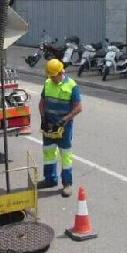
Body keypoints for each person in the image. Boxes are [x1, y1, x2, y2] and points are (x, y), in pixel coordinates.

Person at [38, 59, 82, 197]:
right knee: (48, 153)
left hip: (64, 127)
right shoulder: (48, 83)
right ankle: (50, 180)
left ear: (61, 72)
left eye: (53, 76)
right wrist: (43, 118)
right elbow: (42, 102)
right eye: (49, 76)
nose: (51, 78)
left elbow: (78, 107)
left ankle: (67, 184)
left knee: (65, 155)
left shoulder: (72, 86)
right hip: (49, 126)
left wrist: (64, 120)